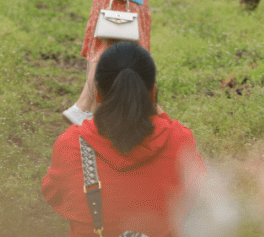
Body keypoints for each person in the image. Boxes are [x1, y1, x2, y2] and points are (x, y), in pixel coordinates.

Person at [43, 42, 204, 237]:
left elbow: (53, 194)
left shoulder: (71, 144)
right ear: (153, 93)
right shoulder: (180, 142)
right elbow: (198, 192)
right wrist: (162, 117)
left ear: (97, 93)